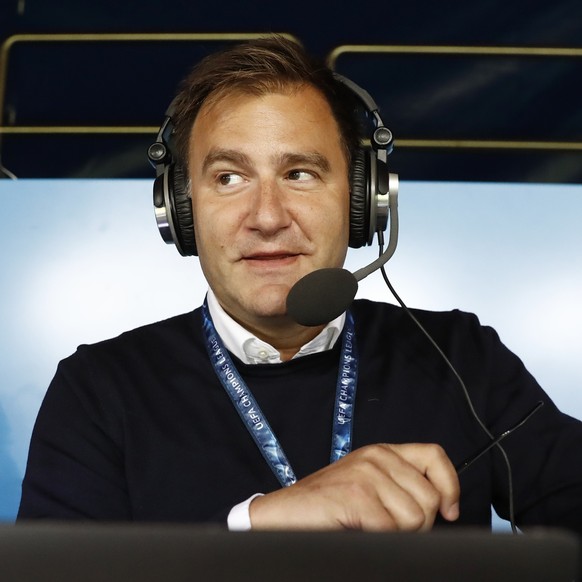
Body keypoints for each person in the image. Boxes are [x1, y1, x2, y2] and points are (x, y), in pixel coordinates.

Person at [17, 35, 582, 535]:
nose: (267, 216)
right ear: (181, 211)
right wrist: (258, 520)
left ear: (364, 201)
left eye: (299, 174)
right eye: (229, 177)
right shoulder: (98, 389)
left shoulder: (463, 358)